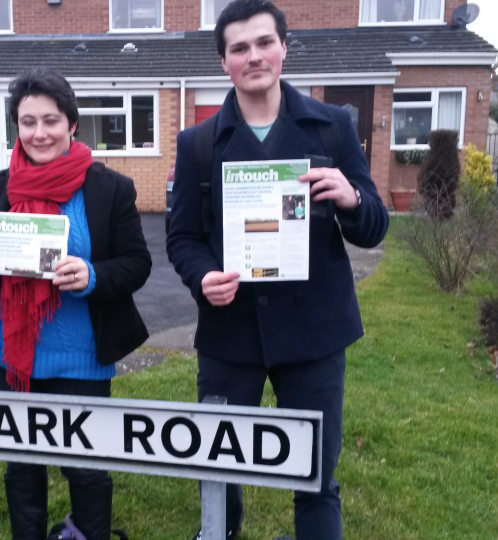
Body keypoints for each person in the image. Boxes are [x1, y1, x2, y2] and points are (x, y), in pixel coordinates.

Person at [165, 1, 389, 539]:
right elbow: (183, 237)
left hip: (314, 334)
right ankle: (221, 531)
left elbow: (375, 225)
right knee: (218, 468)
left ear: (284, 48)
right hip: (229, 334)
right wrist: (201, 278)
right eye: (239, 48)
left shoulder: (333, 127)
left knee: (316, 476)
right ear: (224, 62)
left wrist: (352, 197)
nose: (254, 56)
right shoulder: (197, 144)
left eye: (264, 42)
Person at [0, 67, 151, 540]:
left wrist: (93, 274)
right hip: (11, 359)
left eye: (51, 120)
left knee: (86, 467)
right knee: (21, 466)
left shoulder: (109, 189)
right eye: (27, 122)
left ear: (72, 124)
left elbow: (137, 263)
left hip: (81, 358)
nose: (39, 133)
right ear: (15, 127)